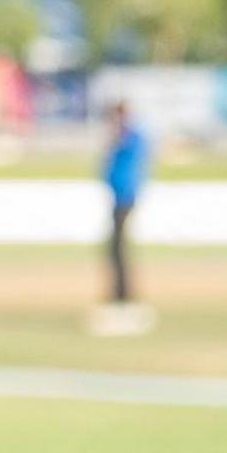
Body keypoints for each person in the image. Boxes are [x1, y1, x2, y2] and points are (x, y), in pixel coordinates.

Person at [98, 100, 152, 316]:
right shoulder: (127, 135)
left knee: (118, 248)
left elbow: (126, 150)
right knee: (115, 248)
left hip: (125, 196)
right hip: (119, 195)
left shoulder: (130, 135)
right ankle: (119, 293)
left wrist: (115, 135)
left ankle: (123, 295)